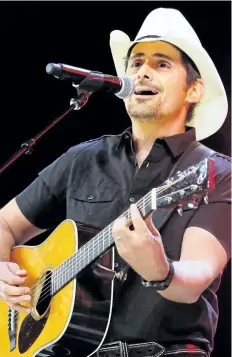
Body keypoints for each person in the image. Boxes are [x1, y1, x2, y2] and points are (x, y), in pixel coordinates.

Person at [0, 7, 230, 357]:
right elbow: (4, 223)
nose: (142, 72)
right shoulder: (84, 158)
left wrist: (161, 270)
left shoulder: (214, 172)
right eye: (135, 63)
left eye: (161, 64)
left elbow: (195, 278)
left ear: (194, 90)